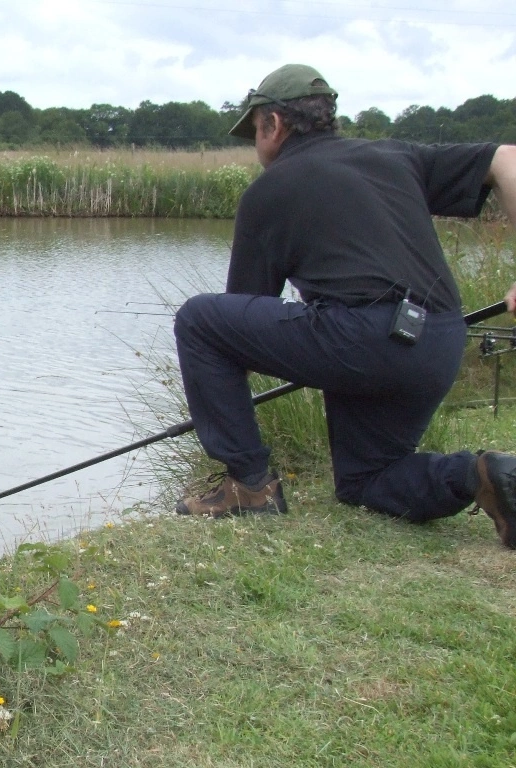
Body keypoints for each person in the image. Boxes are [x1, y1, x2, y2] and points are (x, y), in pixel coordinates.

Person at [173, 63, 516, 548]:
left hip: (363, 338)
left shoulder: (268, 191)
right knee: (366, 480)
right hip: (440, 339)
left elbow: (236, 321)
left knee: (199, 320)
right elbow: (506, 157)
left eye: (254, 131)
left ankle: (250, 487)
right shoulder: (398, 155)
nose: (256, 144)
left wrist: (220, 406)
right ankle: (478, 474)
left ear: (273, 124)